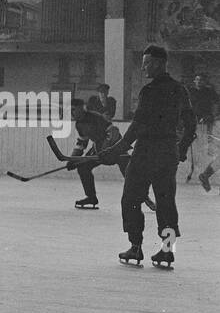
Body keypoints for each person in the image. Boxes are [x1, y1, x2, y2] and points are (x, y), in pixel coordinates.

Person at [102, 46, 194, 268]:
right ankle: (167, 251)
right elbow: (191, 123)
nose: (144, 67)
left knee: (131, 199)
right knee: (166, 204)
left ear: (161, 63)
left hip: (145, 153)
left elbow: (137, 125)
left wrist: (116, 149)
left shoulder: (149, 91)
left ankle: (135, 247)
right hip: (167, 153)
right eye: (143, 63)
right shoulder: (179, 89)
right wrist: (180, 149)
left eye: (148, 63)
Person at [66, 96, 146, 210]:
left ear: (81, 108)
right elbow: (82, 143)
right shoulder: (79, 124)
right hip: (99, 148)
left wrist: (107, 149)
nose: (72, 112)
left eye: (74, 109)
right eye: (70, 110)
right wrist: (73, 159)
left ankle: (143, 196)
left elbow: (113, 131)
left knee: (129, 173)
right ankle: (91, 197)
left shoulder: (95, 117)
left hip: (116, 147)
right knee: (83, 167)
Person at [185, 72, 218, 186]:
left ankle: (204, 173)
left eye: (201, 80)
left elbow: (217, 103)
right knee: (192, 148)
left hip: (206, 123)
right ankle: (192, 171)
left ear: (205, 82)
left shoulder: (209, 92)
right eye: (197, 80)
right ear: (194, 81)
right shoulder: (191, 92)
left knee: (205, 148)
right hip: (192, 122)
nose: (199, 82)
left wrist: (210, 116)